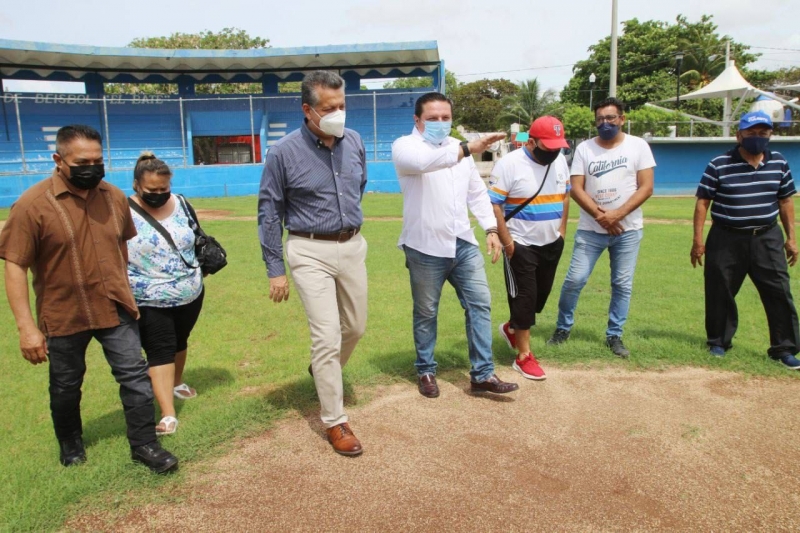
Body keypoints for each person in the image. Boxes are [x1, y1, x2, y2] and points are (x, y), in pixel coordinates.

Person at [0, 125, 178, 473]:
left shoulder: (113, 197)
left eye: (98, 160)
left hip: (114, 306)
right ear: (58, 160)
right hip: (64, 312)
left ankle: (145, 445)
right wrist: (26, 328)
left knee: (135, 377)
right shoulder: (32, 205)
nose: (92, 168)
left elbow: (122, 244)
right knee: (66, 385)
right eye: (82, 161)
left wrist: (123, 288)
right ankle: (71, 445)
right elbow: (15, 266)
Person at [258, 71, 368, 456]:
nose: (338, 113)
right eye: (328, 108)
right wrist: (275, 270)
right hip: (308, 250)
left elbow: (359, 188)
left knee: (355, 327)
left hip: (352, 245)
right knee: (326, 335)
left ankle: (323, 370)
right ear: (308, 110)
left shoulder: (354, 141)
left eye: (342, 106)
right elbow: (270, 213)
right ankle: (336, 421)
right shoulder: (283, 152)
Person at [392, 91, 519, 398]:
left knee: (479, 303)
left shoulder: (457, 149)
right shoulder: (405, 146)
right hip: (424, 246)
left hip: (462, 242)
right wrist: (466, 148)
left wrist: (490, 228)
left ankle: (482, 374)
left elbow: (476, 192)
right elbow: (424, 163)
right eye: (432, 118)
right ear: (417, 120)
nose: (440, 123)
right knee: (426, 311)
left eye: (445, 118)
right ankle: (425, 369)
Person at [547, 97, 655, 358]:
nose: (605, 123)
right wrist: (600, 216)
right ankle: (563, 328)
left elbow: (646, 187)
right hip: (590, 230)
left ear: (622, 119)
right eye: (600, 120)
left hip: (627, 231)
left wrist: (617, 215)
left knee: (622, 284)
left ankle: (614, 335)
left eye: (610, 118)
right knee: (575, 279)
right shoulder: (585, 149)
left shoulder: (638, 146)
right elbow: (576, 188)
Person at [691, 110, 800, 368]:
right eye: (751, 133)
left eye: (763, 133)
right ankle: (718, 342)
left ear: (770, 135)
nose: (757, 138)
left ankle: (784, 348)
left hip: (767, 237)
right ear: (739, 134)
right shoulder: (719, 163)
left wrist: (791, 238)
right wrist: (698, 241)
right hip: (726, 237)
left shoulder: (779, 163)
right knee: (720, 290)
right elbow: (702, 203)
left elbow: (785, 201)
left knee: (779, 292)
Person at [127, 153, 205, 435]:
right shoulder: (122, 210)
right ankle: (168, 414)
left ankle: (177, 381)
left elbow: (195, 238)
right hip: (148, 296)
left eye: (164, 189)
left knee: (180, 340)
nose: (159, 195)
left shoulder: (182, 203)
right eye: (152, 190)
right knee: (160, 349)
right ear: (137, 185)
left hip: (190, 292)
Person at [490, 116, 571, 380]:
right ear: (532, 142)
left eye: (558, 147)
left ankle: (512, 328)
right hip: (520, 244)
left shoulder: (559, 160)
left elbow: (566, 194)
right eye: (548, 147)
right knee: (524, 299)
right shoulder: (509, 164)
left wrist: (562, 232)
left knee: (538, 299)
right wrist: (508, 243)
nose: (554, 152)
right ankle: (524, 356)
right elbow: (495, 205)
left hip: (551, 243)